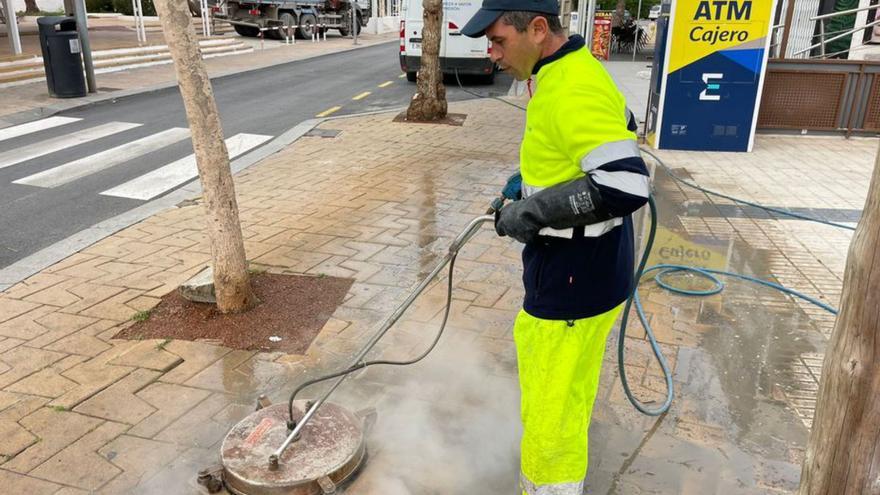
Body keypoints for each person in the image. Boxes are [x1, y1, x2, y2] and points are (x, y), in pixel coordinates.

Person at [462, 2, 651, 494]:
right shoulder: (571, 70)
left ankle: (549, 486)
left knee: (549, 404)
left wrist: (531, 211)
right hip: (593, 268)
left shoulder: (571, 86)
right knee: (569, 390)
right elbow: (621, 126)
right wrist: (528, 183)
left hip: (572, 274)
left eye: (499, 40)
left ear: (538, 29)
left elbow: (627, 186)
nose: (492, 53)